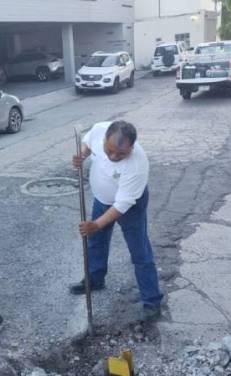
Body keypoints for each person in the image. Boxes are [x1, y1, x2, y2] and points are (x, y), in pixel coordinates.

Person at [71, 120, 164, 321]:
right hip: (101, 199)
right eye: (109, 150)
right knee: (96, 242)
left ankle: (152, 300)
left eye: (121, 154)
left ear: (131, 147)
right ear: (104, 139)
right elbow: (88, 143)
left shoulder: (137, 165)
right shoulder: (98, 131)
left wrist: (96, 224)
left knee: (140, 252)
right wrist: (82, 156)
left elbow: (122, 205)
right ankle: (95, 279)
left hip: (131, 206)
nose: (113, 156)